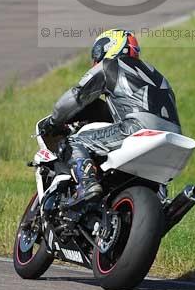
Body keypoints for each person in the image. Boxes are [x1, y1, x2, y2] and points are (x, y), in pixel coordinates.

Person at [41, 29, 181, 205]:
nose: (96, 57)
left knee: (75, 141)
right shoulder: (158, 75)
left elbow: (77, 96)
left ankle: (87, 184)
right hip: (175, 137)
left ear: (110, 47)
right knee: (155, 178)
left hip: (138, 128)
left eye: (97, 50)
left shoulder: (110, 65)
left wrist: (53, 121)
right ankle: (162, 200)